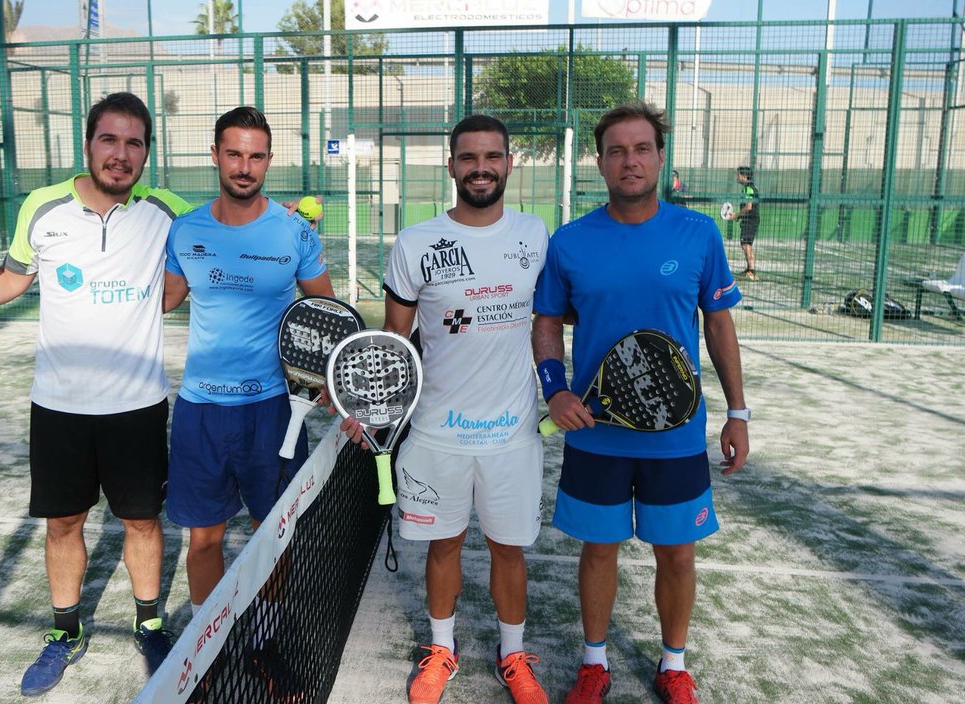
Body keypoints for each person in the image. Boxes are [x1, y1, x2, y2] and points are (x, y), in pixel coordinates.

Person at [0, 92, 187, 697]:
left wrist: (287, 216)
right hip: (58, 408)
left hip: (138, 405)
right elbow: (12, 278)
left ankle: (150, 622)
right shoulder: (44, 206)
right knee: (63, 523)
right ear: (87, 145)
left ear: (146, 153)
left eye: (134, 142)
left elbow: (217, 235)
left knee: (141, 521)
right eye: (109, 140)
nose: (121, 154)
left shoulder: (168, 210)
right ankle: (66, 632)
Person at [531, 101, 750, 704]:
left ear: (659, 156)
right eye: (617, 151)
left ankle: (673, 664)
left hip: (677, 437)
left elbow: (718, 326)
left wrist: (737, 411)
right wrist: (555, 388)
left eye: (642, 148)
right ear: (600, 162)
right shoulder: (570, 241)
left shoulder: (698, 234)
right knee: (598, 550)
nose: (630, 160)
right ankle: (594, 663)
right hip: (595, 433)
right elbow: (547, 320)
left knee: (676, 553)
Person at [345, 115, 550, 704]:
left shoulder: (535, 236)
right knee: (445, 546)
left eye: (491, 156)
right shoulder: (415, 243)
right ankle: (442, 649)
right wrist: (373, 407)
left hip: (512, 434)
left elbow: (549, 324)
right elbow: (395, 341)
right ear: (451, 164)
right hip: (436, 433)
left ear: (509, 163)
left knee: (509, 550)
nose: (480, 167)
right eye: (468, 157)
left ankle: (513, 655)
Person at [161, 106, 333, 679]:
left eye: (256, 155)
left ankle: (261, 638)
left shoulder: (294, 231)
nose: (244, 166)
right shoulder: (184, 229)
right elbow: (163, 300)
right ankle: (206, 649)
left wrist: (330, 382)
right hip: (201, 410)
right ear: (215, 156)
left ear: (268, 161)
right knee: (203, 538)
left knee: (271, 536)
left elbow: (325, 314)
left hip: (273, 409)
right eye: (233, 153)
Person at [731, 166, 759, 280]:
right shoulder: (748, 188)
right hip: (749, 219)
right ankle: (749, 269)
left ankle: (751, 270)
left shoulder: (748, 188)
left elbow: (748, 207)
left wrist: (736, 215)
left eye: (738, 175)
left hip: (751, 220)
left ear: (744, 176)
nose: (737, 177)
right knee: (746, 245)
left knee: (746, 245)